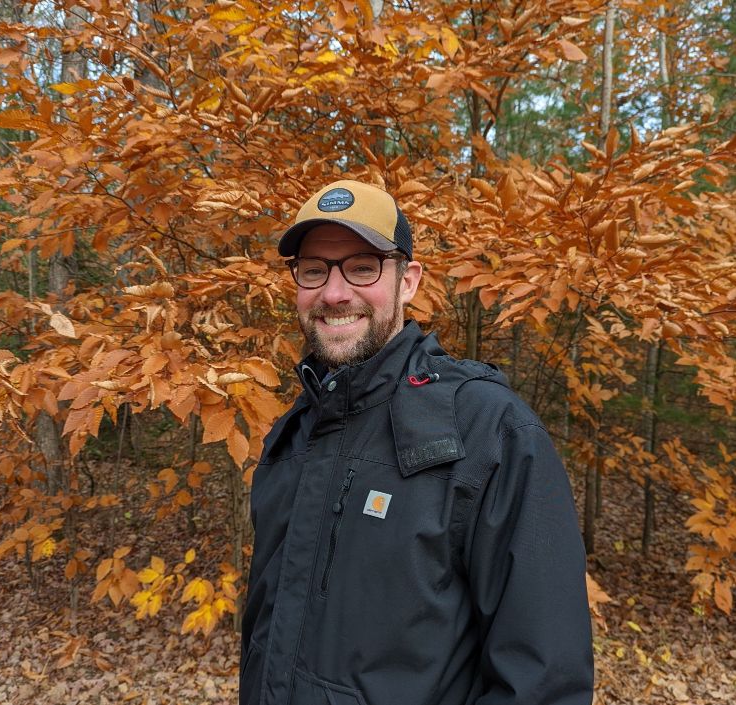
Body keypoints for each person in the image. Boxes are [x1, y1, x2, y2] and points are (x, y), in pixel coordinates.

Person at [240, 179, 594, 705]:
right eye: (314, 270)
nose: (334, 293)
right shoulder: (292, 436)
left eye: (362, 266)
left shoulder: (487, 431)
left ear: (408, 281)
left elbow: (543, 682)